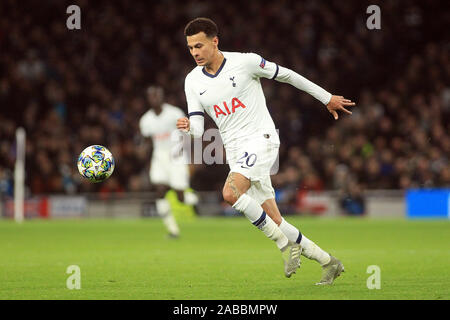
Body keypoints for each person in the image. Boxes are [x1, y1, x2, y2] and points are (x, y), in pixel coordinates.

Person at [177, 18, 355, 285]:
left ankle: (284, 245)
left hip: (262, 139)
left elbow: (289, 75)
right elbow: (200, 130)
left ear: (215, 41)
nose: (195, 53)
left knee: (230, 193)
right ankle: (328, 262)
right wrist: (189, 127)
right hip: (236, 152)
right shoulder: (192, 81)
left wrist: (326, 97)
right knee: (274, 218)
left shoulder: (246, 62)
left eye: (199, 46)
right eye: (191, 48)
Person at [140, 85, 198, 238]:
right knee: (159, 190)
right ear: (148, 99)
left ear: (162, 96)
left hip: (176, 154)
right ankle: (173, 230)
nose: (154, 98)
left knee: (180, 196)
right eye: (151, 96)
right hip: (159, 156)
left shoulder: (174, 113)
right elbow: (147, 142)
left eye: (157, 95)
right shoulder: (146, 120)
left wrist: (188, 153)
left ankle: (195, 198)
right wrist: (144, 155)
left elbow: (187, 133)